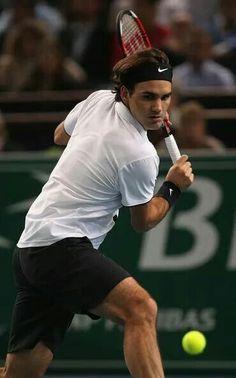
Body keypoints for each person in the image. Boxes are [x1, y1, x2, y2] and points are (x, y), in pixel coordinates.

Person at [0, 47, 194, 378]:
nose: (158, 108)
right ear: (125, 93)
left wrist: (93, 146)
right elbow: (144, 220)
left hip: (31, 248)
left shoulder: (98, 101)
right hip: (61, 249)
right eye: (148, 97)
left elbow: (60, 134)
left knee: (21, 375)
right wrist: (172, 186)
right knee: (141, 310)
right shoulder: (139, 155)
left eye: (165, 97)